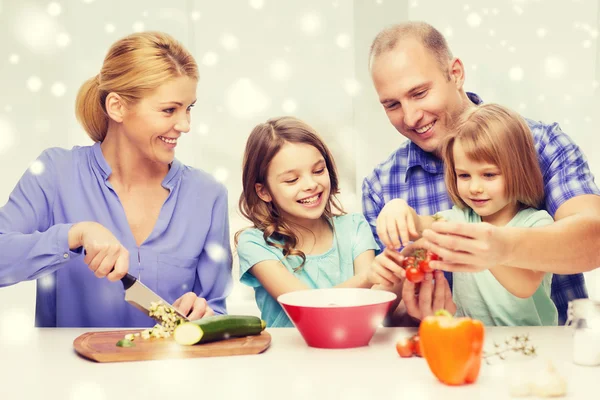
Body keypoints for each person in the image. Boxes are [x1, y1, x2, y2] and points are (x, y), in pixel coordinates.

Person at [363, 21, 600, 325]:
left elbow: (594, 240)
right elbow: (381, 310)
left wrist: (502, 246)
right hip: (451, 351)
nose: (410, 117)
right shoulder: (381, 185)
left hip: (554, 353)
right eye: (392, 105)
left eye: (420, 93)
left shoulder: (540, 143)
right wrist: (409, 310)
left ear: (456, 73)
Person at [0, 32, 232, 327]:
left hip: (171, 370)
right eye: (169, 110)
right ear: (117, 107)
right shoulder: (55, 173)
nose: (185, 125)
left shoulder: (207, 195)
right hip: (67, 372)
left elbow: (217, 309)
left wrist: (205, 314)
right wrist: (74, 235)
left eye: (189, 108)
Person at [371, 103, 558, 326]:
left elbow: (525, 285)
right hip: (469, 340)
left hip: (528, 344)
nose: (475, 187)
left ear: (519, 170)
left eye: (489, 175)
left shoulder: (537, 224)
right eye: (464, 175)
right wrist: (397, 207)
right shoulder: (459, 219)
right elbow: (420, 224)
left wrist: (482, 246)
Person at [236, 116, 401, 327]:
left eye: (318, 171)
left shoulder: (355, 228)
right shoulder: (255, 244)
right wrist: (367, 278)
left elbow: (373, 307)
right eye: (292, 180)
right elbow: (306, 308)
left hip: (352, 352)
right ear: (264, 191)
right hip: (287, 358)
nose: (311, 184)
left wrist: (400, 274)